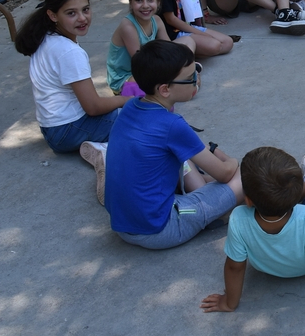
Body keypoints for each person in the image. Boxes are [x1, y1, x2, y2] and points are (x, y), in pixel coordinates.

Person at [102, 40, 243, 248]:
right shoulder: (172, 124)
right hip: (160, 227)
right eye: (190, 78)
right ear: (165, 89)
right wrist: (231, 161)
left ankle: (211, 208)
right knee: (248, 173)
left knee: (185, 163)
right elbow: (225, 173)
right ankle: (211, 215)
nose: (197, 80)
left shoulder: (132, 105)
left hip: (123, 224)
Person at [200, 146, 305, 317]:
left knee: (289, 190)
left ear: (247, 200)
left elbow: (235, 267)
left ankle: (304, 183)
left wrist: (229, 303)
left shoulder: (238, 218)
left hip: (265, 267)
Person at [14, 0, 129, 153]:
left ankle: (101, 147)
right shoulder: (69, 52)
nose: (82, 18)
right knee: (144, 119)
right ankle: (106, 155)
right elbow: (93, 107)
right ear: (53, 15)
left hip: (52, 129)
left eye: (85, 9)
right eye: (71, 13)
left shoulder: (45, 36)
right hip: (69, 129)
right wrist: (126, 100)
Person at [106, 0, 190, 98]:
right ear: (130, 2)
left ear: (158, 1)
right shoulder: (128, 27)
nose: (145, 5)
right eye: (138, 0)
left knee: (188, 41)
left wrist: (184, 67)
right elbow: (141, 66)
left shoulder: (156, 20)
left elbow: (170, 51)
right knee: (157, 94)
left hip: (148, 69)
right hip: (128, 77)